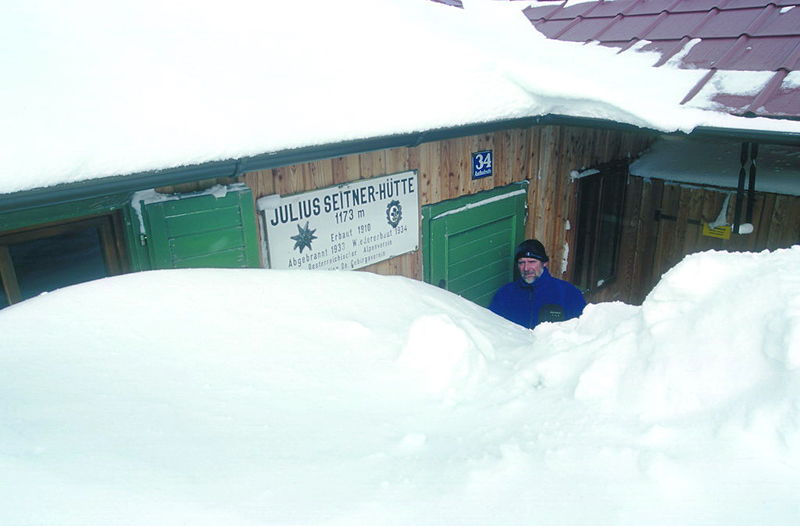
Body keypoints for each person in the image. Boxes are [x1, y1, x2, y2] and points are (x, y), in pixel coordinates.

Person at [489, 239, 586, 329]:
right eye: (521, 263)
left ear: (544, 263)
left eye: (532, 262)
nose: (526, 268)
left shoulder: (568, 293)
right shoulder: (504, 294)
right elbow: (492, 328)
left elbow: (581, 330)